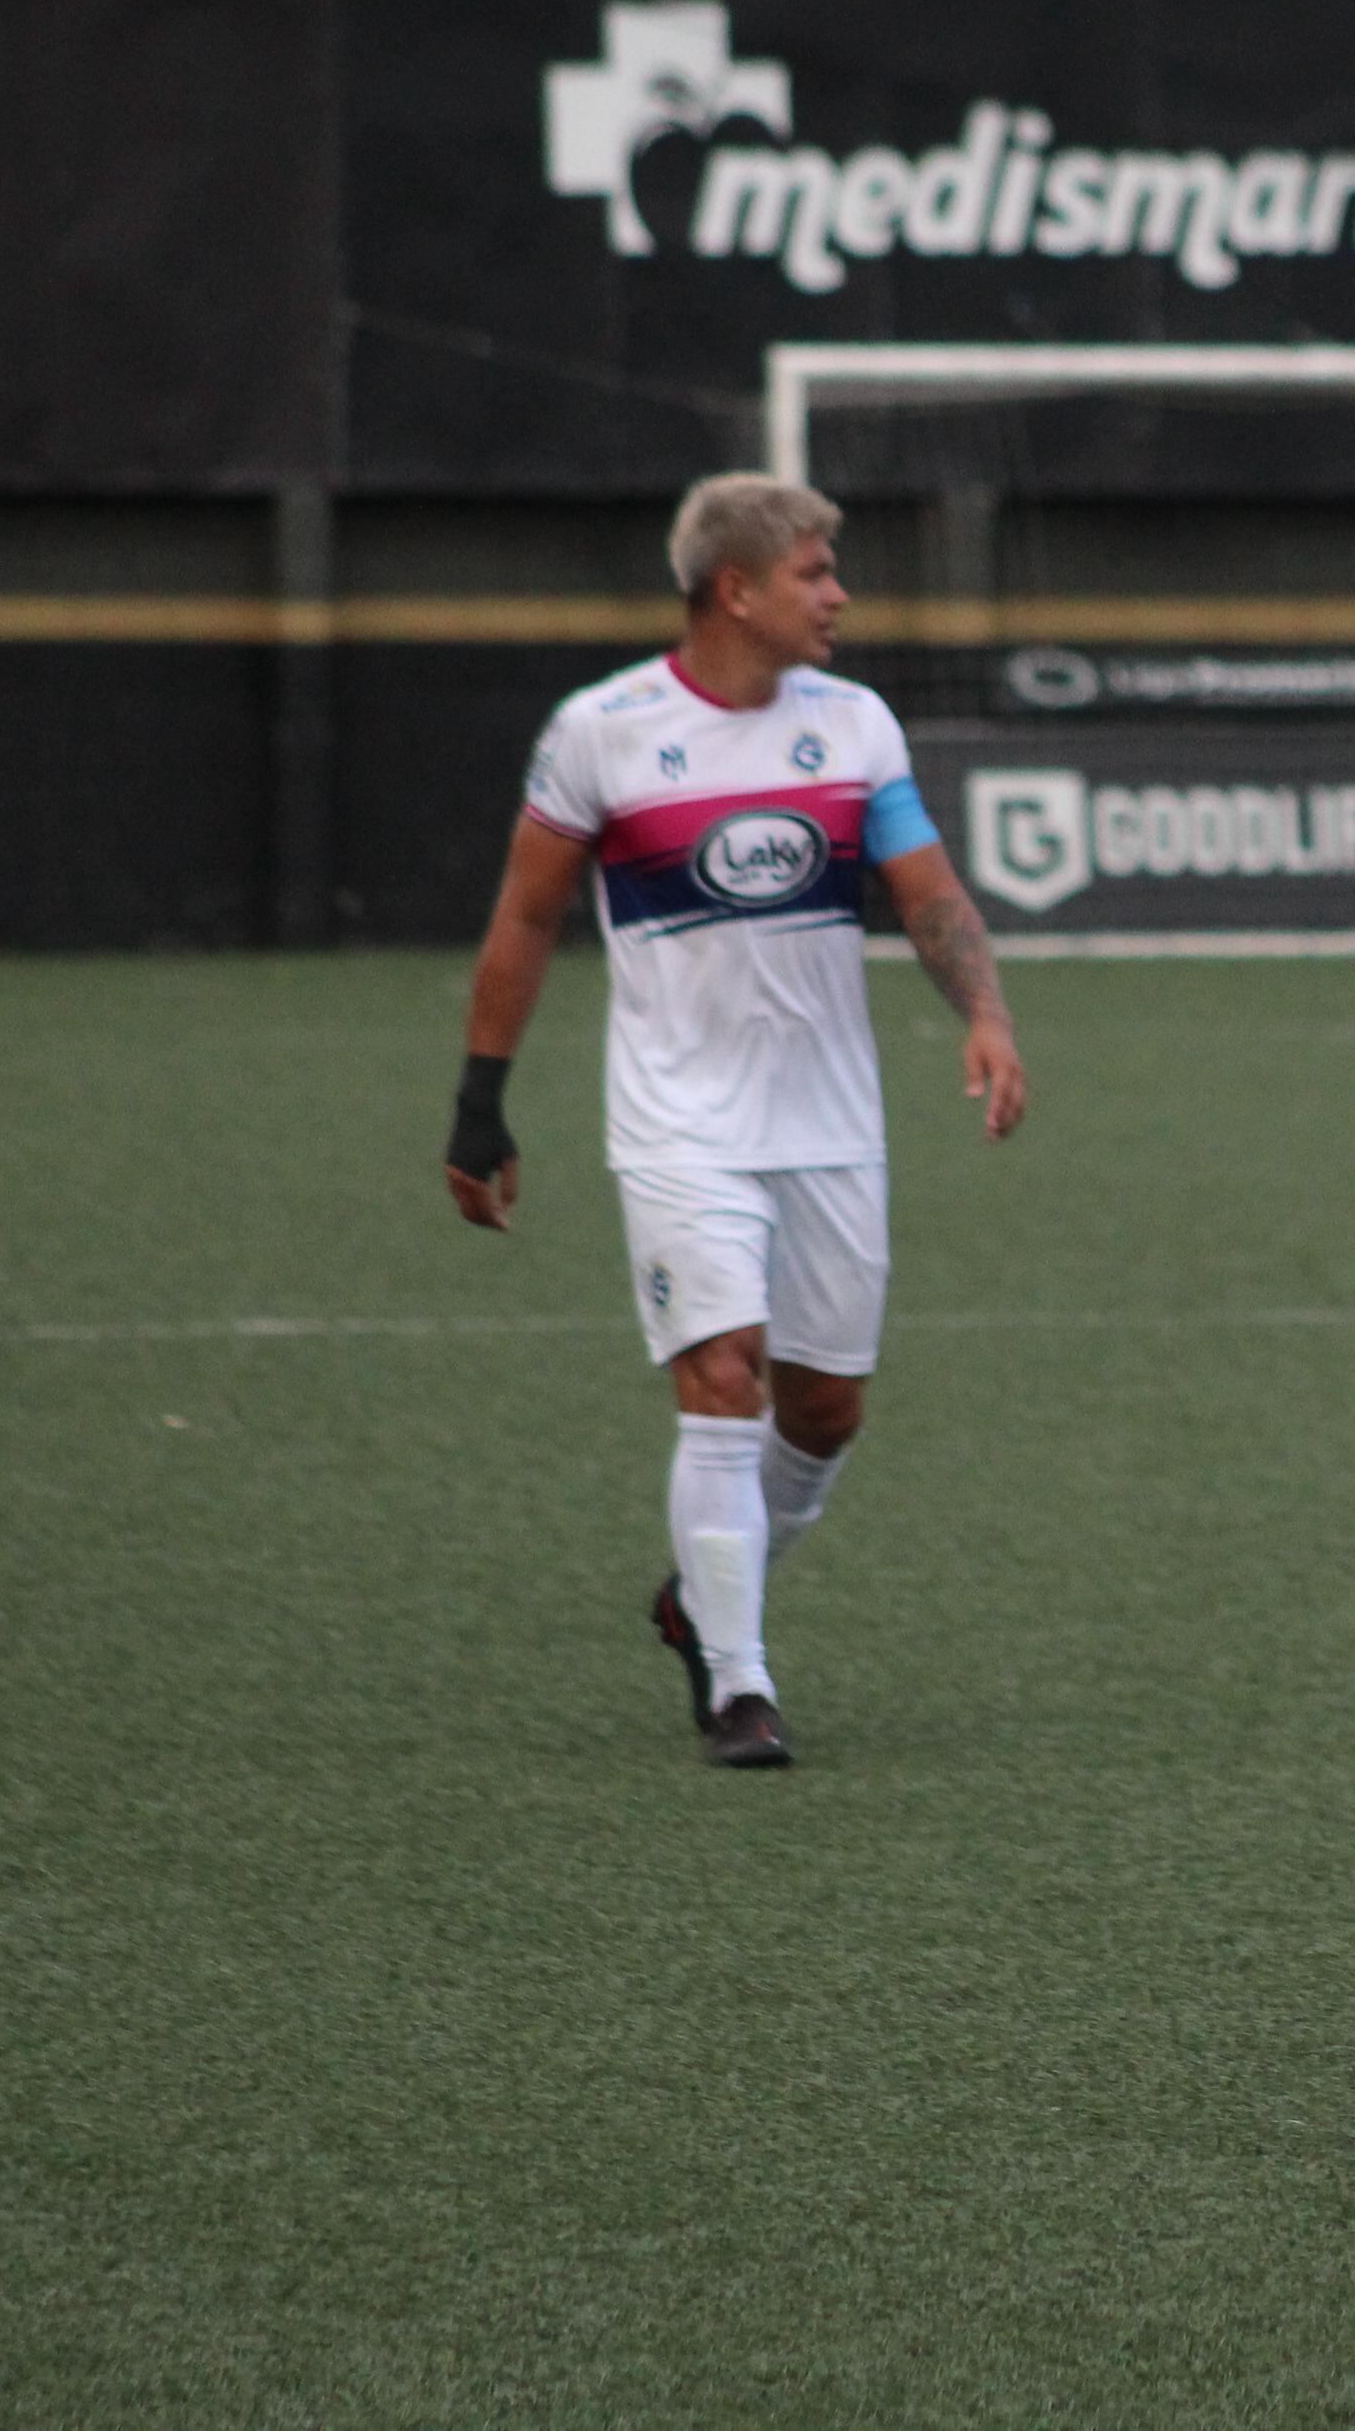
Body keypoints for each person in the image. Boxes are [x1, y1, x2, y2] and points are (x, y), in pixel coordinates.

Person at [443, 473, 1026, 1771]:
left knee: (823, 1412)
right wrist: (481, 1100)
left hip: (830, 1122)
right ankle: (737, 1677)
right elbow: (527, 916)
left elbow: (926, 891)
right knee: (722, 1377)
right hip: (679, 1123)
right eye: (817, 572)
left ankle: (697, 1592)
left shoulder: (858, 724)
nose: (840, 595)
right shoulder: (603, 731)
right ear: (737, 589)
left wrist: (984, 1014)